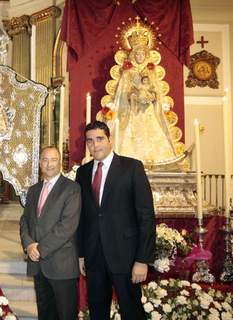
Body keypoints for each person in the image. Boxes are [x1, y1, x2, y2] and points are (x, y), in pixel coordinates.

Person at [76, 121, 156, 320]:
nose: (95, 145)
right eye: (90, 141)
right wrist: (81, 254)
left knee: (132, 312)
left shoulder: (132, 167)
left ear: (109, 139)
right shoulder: (82, 173)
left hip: (126, 258)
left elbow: (146, 216)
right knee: (97, 313)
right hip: (94, 258)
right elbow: (82, 217)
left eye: (100, 139)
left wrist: (142, 260)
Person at [20, 146, 81, 320]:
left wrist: (40, 248)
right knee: (45, 314)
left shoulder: (71, 189)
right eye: (45, 160)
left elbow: (67, 226)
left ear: (60, 163)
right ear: (40, 163)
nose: (49, 164)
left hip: (61, 265)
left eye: (53, 160)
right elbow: (25, 220)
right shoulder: (33, 190)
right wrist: (28, 244)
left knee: (66, 315)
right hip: (38, 266)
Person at [111, 42, 176, 164]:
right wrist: (133, 95)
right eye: (137, 54)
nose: (139, 57)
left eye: (142, 54)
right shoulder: (128, 71)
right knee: (131, 132)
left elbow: (155, 89)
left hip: (148, 108)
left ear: (145, 56)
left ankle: (154, 160)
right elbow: (124, 89)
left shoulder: (150, 71)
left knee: (152, 131)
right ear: (133, 56)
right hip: (134, 108)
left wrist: (151, 96)